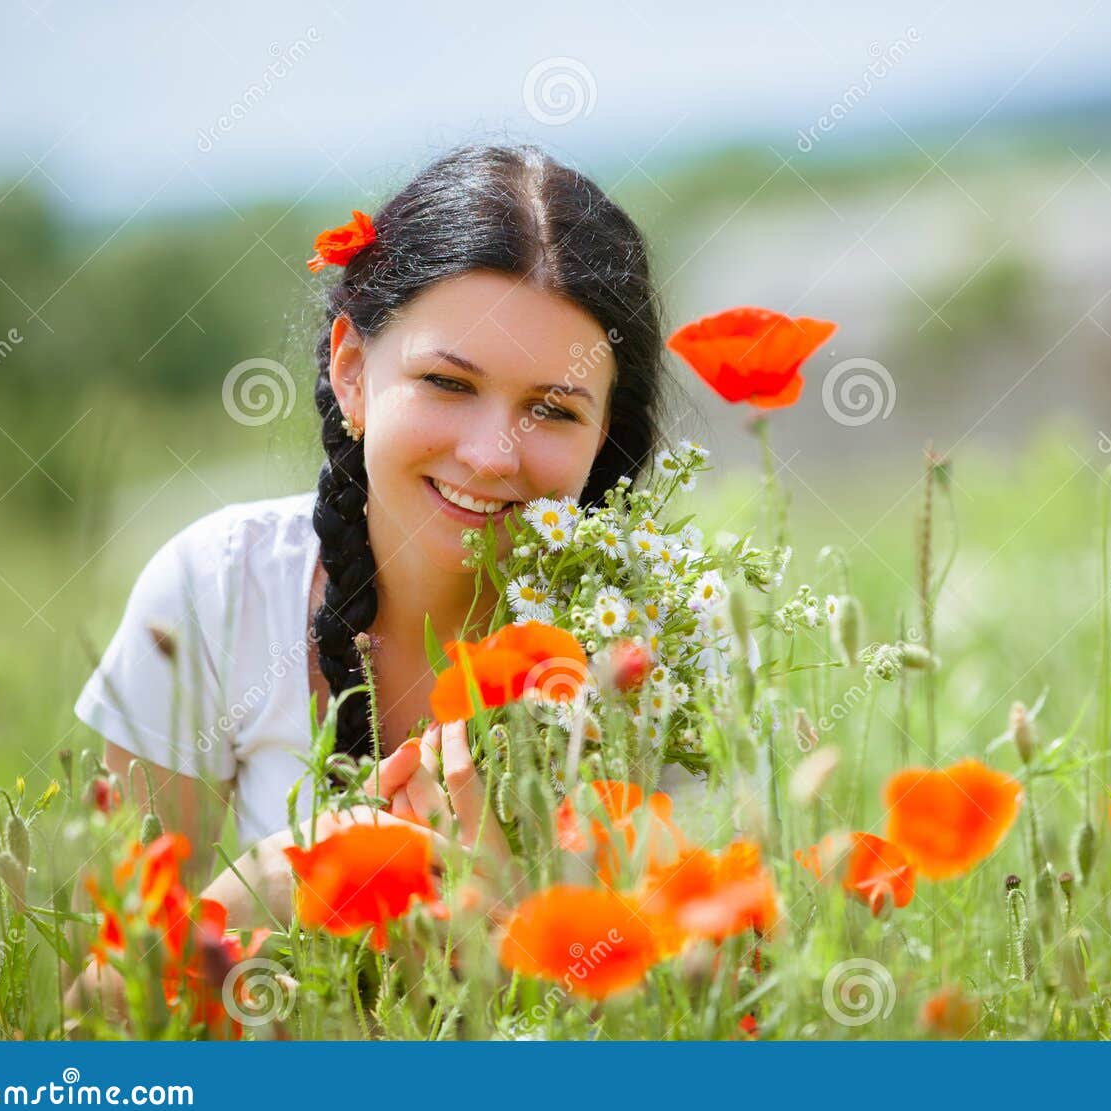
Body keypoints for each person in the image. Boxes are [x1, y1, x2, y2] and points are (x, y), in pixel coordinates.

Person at [70, 143, 674, 926]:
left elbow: (725, 1014)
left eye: (554, 409)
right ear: (352, 369)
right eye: (448, 383)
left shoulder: (660, 644)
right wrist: (264, 890)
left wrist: (518, 933)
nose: (491, 455)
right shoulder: (216, 590)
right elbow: (101, 1020)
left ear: (605, 435)